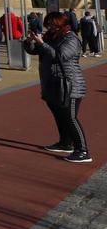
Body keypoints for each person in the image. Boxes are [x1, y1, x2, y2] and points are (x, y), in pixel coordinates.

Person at [24, 12, 91, 162]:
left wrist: (42, 44)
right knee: (59, 115)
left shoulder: (71, 38)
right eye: (48, 24)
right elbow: (36, 51)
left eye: (52, 24)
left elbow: (60, 56)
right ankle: (65, 143)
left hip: (70, 83)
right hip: (53, 83)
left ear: (60, 24)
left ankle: (83, 150)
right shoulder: (52, 37)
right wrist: (29, 42)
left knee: (70, 117)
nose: (49, 27)